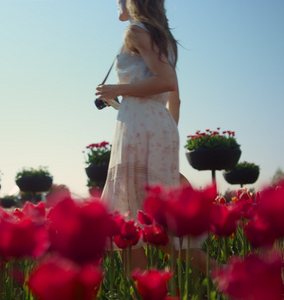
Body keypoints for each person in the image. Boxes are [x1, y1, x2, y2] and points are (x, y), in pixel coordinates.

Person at [96, 0, 211, 273]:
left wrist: (115, 90)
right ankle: (231, 279)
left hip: (138, 128)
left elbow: (165, 81)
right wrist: (164, 131)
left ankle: (149, 285)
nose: (115, 4)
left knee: (130, 223)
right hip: (159, 124)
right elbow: (175, 99)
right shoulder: (163, 36)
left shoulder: (136, 31)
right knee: (161, 219)